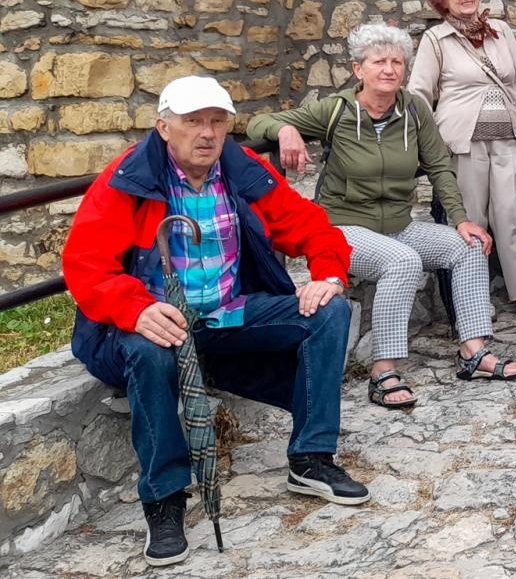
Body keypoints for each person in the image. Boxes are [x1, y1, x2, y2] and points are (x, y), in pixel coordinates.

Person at [64, 76, 368, 567]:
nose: (206, 133)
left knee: (327, 309)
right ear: (164, 127)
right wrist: (136, 307)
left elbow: (310, 224)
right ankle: (164, 498)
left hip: (228, 313)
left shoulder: (238, 168)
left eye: (217, 121)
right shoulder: (130, 178)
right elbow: (85, 263)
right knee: (146, 350)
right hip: (157, 322)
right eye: (192, 121)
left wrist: (327, 272)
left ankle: (311, 459)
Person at [249, 23, 516, 409]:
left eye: (397, 62)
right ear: (359, 69)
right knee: (403, 262)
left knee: (469, 246)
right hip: (343, 228)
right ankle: (383, 369)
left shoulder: (414, 111)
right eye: (379, 61)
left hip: (399, 224)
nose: (390, 69)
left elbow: (440, 167)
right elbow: (256, 123)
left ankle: (473, 350)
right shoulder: (337, 110)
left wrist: (461, 219)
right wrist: (287, 130)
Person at [409, 0, 516, 319]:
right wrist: (430, 142)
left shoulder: (499, 30)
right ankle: (476, 298)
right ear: (442, 0)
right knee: (472, 221)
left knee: (509, 217)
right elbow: (420, 93)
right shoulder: (435, 40)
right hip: (463, 143)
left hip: (509, 138)